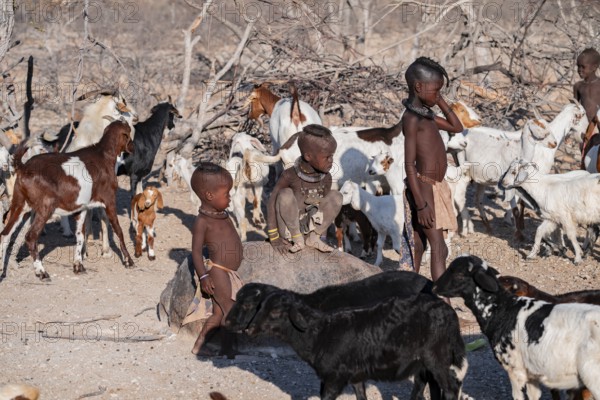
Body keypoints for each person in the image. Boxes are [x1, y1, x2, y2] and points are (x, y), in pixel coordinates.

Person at [402, 57, 463, 282]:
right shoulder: (411, 119)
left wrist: (440, 101)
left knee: (418, 245)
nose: (438, 94)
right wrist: (421, 204)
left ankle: (410, 294)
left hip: (434, 187)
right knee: (439, 249)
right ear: (419, 87)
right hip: (424, 187)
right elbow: (409, 164)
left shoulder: (427, 115)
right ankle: (442, 302)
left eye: (440, 91)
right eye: (435, 90)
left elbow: (457, 126)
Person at [189, 162, 243, 358]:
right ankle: (228, 350)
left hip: (228, 273)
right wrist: (203, 276)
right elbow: (196, 252)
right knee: (230, 309)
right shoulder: (202, 222)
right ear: (209, 196)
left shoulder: (222, 215)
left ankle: (200, 345)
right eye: (226, 194)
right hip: (217, 272)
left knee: (218, 314)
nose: (230, 197)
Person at [266, 124, 342, 254]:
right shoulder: (289, 175)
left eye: (332, 155)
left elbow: (322, 207)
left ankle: (313, 238)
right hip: (289, 228)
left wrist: (321, 236)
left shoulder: (326, 178)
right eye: (326, 157)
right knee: (285, 194)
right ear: (308, 157)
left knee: (336, 197)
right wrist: (274, 237)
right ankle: (297, 238)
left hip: (308, 226)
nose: (331, 160)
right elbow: (272, 201)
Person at [574, 48, 600, 168]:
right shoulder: (578, 86)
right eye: (578, 66)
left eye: (583, 67)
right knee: (586, 160)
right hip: (585, 130)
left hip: (599, 127)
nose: (579, 70)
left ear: (594, 67)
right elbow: (575, 108)